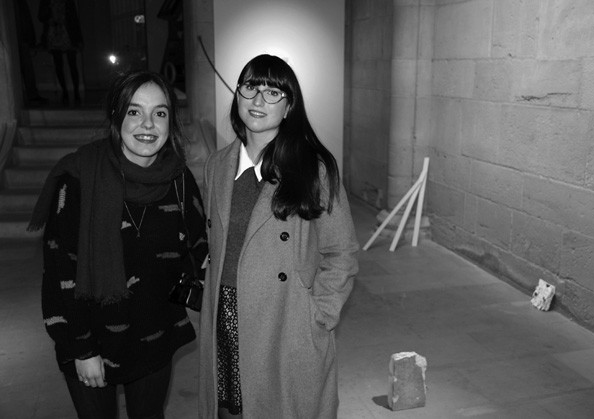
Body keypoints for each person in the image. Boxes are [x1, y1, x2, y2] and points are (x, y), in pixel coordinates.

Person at [28, 70, 207, 418]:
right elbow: (60, 273)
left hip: (155, 336)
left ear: (170, 121)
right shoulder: (79, 178)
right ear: (116, 115)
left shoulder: (178, 178)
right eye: (134, 111)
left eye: (159, 113)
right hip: (91, 339)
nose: (148, 124)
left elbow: (199, 248)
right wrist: (82, 350)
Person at [198, 54, 359, 419]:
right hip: (224, 313)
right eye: (250, 87)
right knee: (228, 410)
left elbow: (342, 252)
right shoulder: (217, 165)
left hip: (285, 319)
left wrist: (318, 314)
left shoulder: (314, 169)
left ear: (289, 107)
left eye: (273, 92)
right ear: (237, 94)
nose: (258, 99)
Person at [38, 0, 83, 106]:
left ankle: (75, 92)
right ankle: (65, 92)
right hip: (54, 33)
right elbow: (41, 16)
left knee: (72, 64)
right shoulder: (46, 2)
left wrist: (78, 39)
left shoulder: (68, 2)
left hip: (68, 33)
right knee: (59, 64)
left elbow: (74, 18)